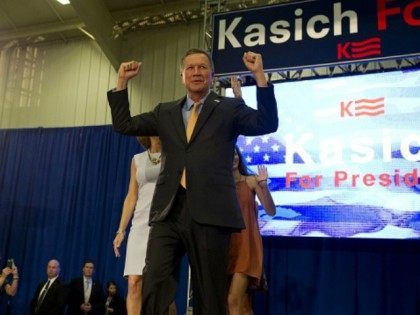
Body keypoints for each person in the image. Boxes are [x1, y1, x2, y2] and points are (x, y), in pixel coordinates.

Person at [107, 48, 278, 314]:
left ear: (211, 75)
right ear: (181, 75)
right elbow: (124, 125)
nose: (196, 72)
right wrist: (122, 83)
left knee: (209, 294)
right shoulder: (165, 112)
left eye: (202, 67)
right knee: (154, 281)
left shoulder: (229, 108)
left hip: (211, 213)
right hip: (169, 211)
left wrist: (259, 76)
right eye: (190, 68)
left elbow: (266, 122)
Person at [113, 136, 176, 315]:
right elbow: (132, 196)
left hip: (164, 227)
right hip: (140, 226)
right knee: (134, 283)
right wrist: (121, 230)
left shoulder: (174, 155)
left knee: (160, 289)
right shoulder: (137, 159)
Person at [227, 147, 276, 315]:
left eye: (235, 153)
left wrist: (264, 186)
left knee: (233, 301)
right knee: (244, 306)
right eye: (229, 153)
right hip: (225, 248)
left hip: (246, 248)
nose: (233, 157)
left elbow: (271, 211)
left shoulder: (251, 181)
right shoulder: (220, 186)